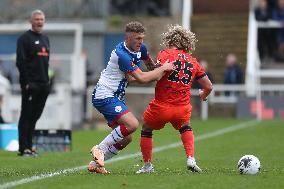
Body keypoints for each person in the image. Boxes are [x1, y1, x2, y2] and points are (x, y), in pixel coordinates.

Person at [88, 21, 174, 173]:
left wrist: (161, 68)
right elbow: (141, 78)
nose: (140, 42)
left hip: (115, 96)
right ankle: (99, 149)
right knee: (132, 124)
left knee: (126, 138)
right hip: (105, 94)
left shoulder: (142, 49)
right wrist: (163, 69)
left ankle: (96, 165)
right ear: (127, 38)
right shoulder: (122, 54)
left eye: (142, 38)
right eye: (137, 39)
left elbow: (150, 67)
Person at [136, 25, 213, 173]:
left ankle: (147, 166)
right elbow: (208, 86)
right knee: (185, 126)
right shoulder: (193, 61)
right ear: (187, 42)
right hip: (182, 108)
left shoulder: (165, 54)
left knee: (146, 128)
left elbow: (157, 73)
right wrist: (204, 94)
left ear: (169, 38)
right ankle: (191, 158)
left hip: (161, 106)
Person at [16, 10, 50, 156]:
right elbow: (21, 62)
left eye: (41, 19)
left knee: (35, 116)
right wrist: (26, 82)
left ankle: (30, 145)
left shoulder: (45, 39)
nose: (39, 22)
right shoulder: (24, 38)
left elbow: (46, 63)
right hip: (31, 84)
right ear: (31, 21)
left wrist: (48, 81)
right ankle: (24, 148)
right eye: (36, 19)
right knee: (26, 115)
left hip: (44, 84)